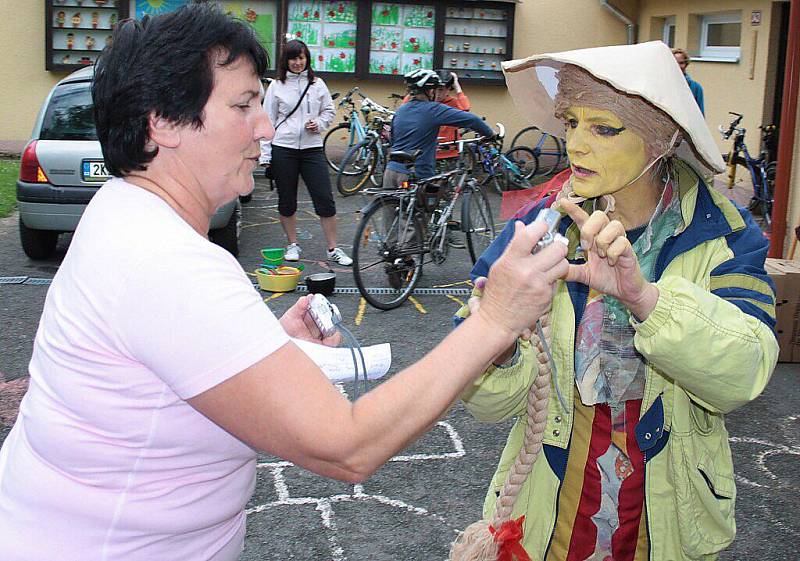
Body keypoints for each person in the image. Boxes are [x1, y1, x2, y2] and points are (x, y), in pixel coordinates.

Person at [0, 5, 570, 560]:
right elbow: (348, 446)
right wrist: (495, 319)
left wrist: (266, 344)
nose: (266, 125)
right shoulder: (165, 261)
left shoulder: (124, 212)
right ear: (164, 123)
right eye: (245, 105)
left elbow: (166, 367)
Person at [453, 41, 778, 560]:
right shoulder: (536, 231)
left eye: (604, 128)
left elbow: (745, 373)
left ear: (661, 138)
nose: (576, 146)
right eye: (572, 122)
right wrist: (496, 343)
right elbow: (492, 404)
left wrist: (645, 299)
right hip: (553, 504)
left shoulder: (724, 237)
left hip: (666, 511)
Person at [261, 39, 350, 265]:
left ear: (307, 59)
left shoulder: (317, 84)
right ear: (286, 61)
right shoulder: (276, 86)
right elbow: (267, 121)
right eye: (293, 58)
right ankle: (292, 244)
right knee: (287, 201)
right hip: (284, 148)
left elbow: (329, 111)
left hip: (312, 149)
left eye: (301, 58)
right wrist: (265, 155)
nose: (298, 62)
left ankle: (333, 248)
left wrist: (319, 124)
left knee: (325, 200)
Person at [384, 68, 495, 189]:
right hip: (416, 173)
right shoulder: (434, 109)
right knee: (431, 204)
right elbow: (472, 120)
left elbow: (393, 139)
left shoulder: (401, 110)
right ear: (431, 91)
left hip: (391, 171)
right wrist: (491, 134)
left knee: (393, 206)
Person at [402, 70, 471, 160]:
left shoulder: (453, 103)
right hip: (426, 151)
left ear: (449, 89)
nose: (437, 93)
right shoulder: (424, 101)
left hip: (448, 152)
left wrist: (456, 85)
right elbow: (404, 106)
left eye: (441, 90)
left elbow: (465, 109)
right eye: (435, 89)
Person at [672, 47, 705, 115]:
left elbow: (700, 115)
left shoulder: (696, 88)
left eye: (681, 63)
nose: (678, 66)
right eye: (675, 62)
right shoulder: (663, 85)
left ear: (686, 64)